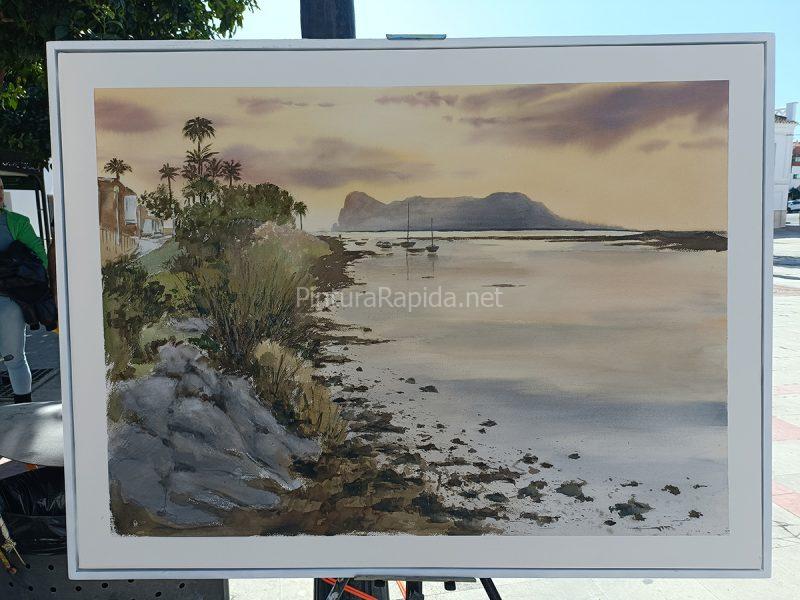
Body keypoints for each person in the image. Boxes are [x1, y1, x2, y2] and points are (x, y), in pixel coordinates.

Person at [0, 176, 48, 403]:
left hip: (9, 303)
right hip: (9, 301)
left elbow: (41, 258)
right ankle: (22, 411)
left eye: (1, 188)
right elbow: (40, 259)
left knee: (15, 360)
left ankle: (23, 411)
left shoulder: (16, 221)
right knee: (15, 361)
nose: (0, 193)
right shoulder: (16, 222)